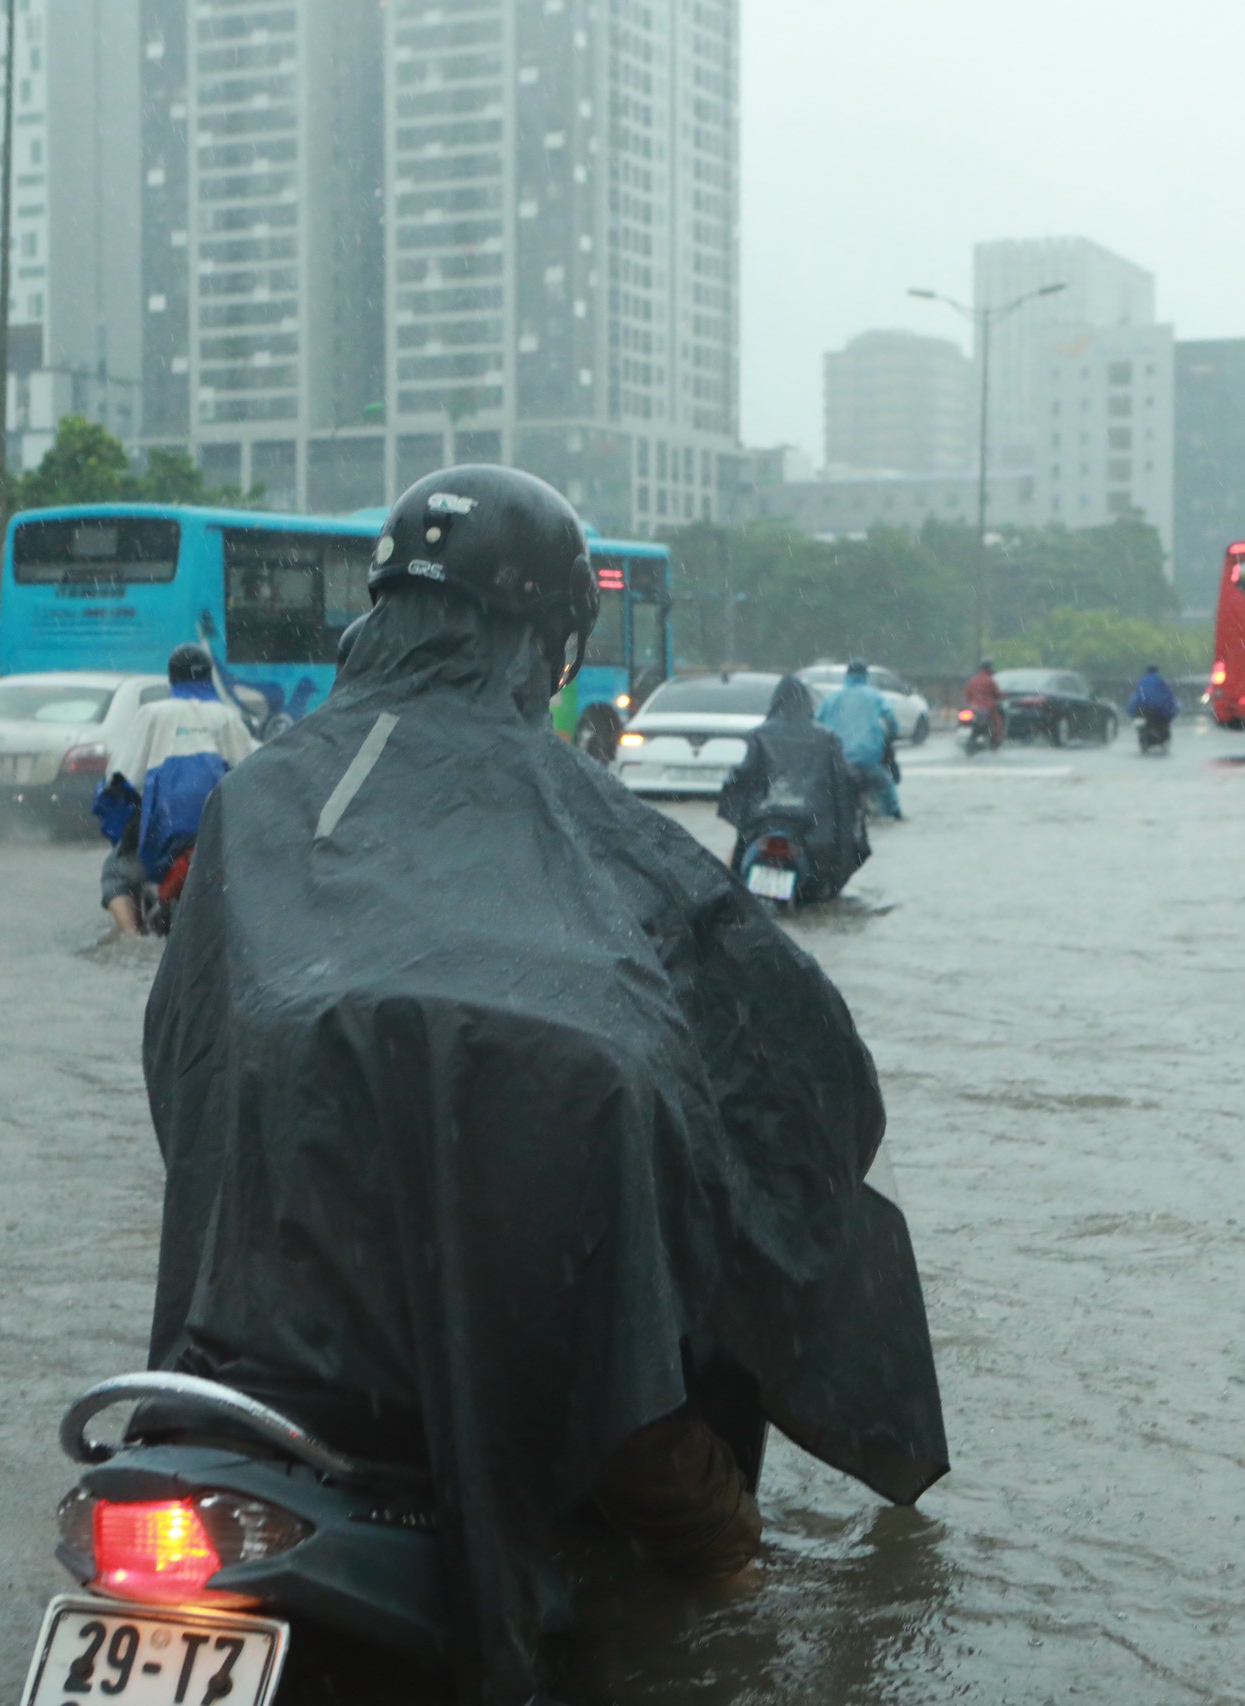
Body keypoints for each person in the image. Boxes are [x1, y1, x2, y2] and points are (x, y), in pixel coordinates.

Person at [138, 467, 946, 1705]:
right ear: (547, 641)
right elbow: (783, 1047)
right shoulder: (587, 824)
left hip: (242, 1351)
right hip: (546, 1356)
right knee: (733, 1579)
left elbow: (181, 1057)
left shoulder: (267, 798)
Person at [94, 643, 256, 936]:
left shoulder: (152, 714)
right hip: (216, 828)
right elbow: (250, 774)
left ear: (172, 678)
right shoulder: (226, 717)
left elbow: (121, 776)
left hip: (163, 828)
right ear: (209, 676)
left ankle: (131, 938)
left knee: (115, 873)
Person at [717, 674, 870, 900]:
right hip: (814, 831)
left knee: (732, 874)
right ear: (807, 703)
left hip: (763, 824)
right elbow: (845, 781)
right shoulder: (827, 738)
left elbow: (743, 777)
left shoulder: (759, 734)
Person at [818, 658, 903, 818]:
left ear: (847, 675)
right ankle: (895, 813)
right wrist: (893, 734)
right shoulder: (874, 696)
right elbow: (890, 719)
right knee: (886, 790)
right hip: (868, 759)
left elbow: (817, 722)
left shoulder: (832, 698)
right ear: (865, 675)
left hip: (839, 760)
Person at [1127, 664, 1180, 745]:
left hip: (1142, 708)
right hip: (1157, 709)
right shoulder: (1160, 681)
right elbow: (1168, 696)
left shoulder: (1142, 681)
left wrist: (1131, 710)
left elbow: (1136, 696)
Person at [963, 657, 1005, 749]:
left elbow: (968, 695)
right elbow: (997, 694)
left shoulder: (973, 680)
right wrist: (1004, 694)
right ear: (989, 668)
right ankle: (996, 740)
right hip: (988, 707)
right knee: (997, 722)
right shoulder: (990, 680)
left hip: (973, 708)